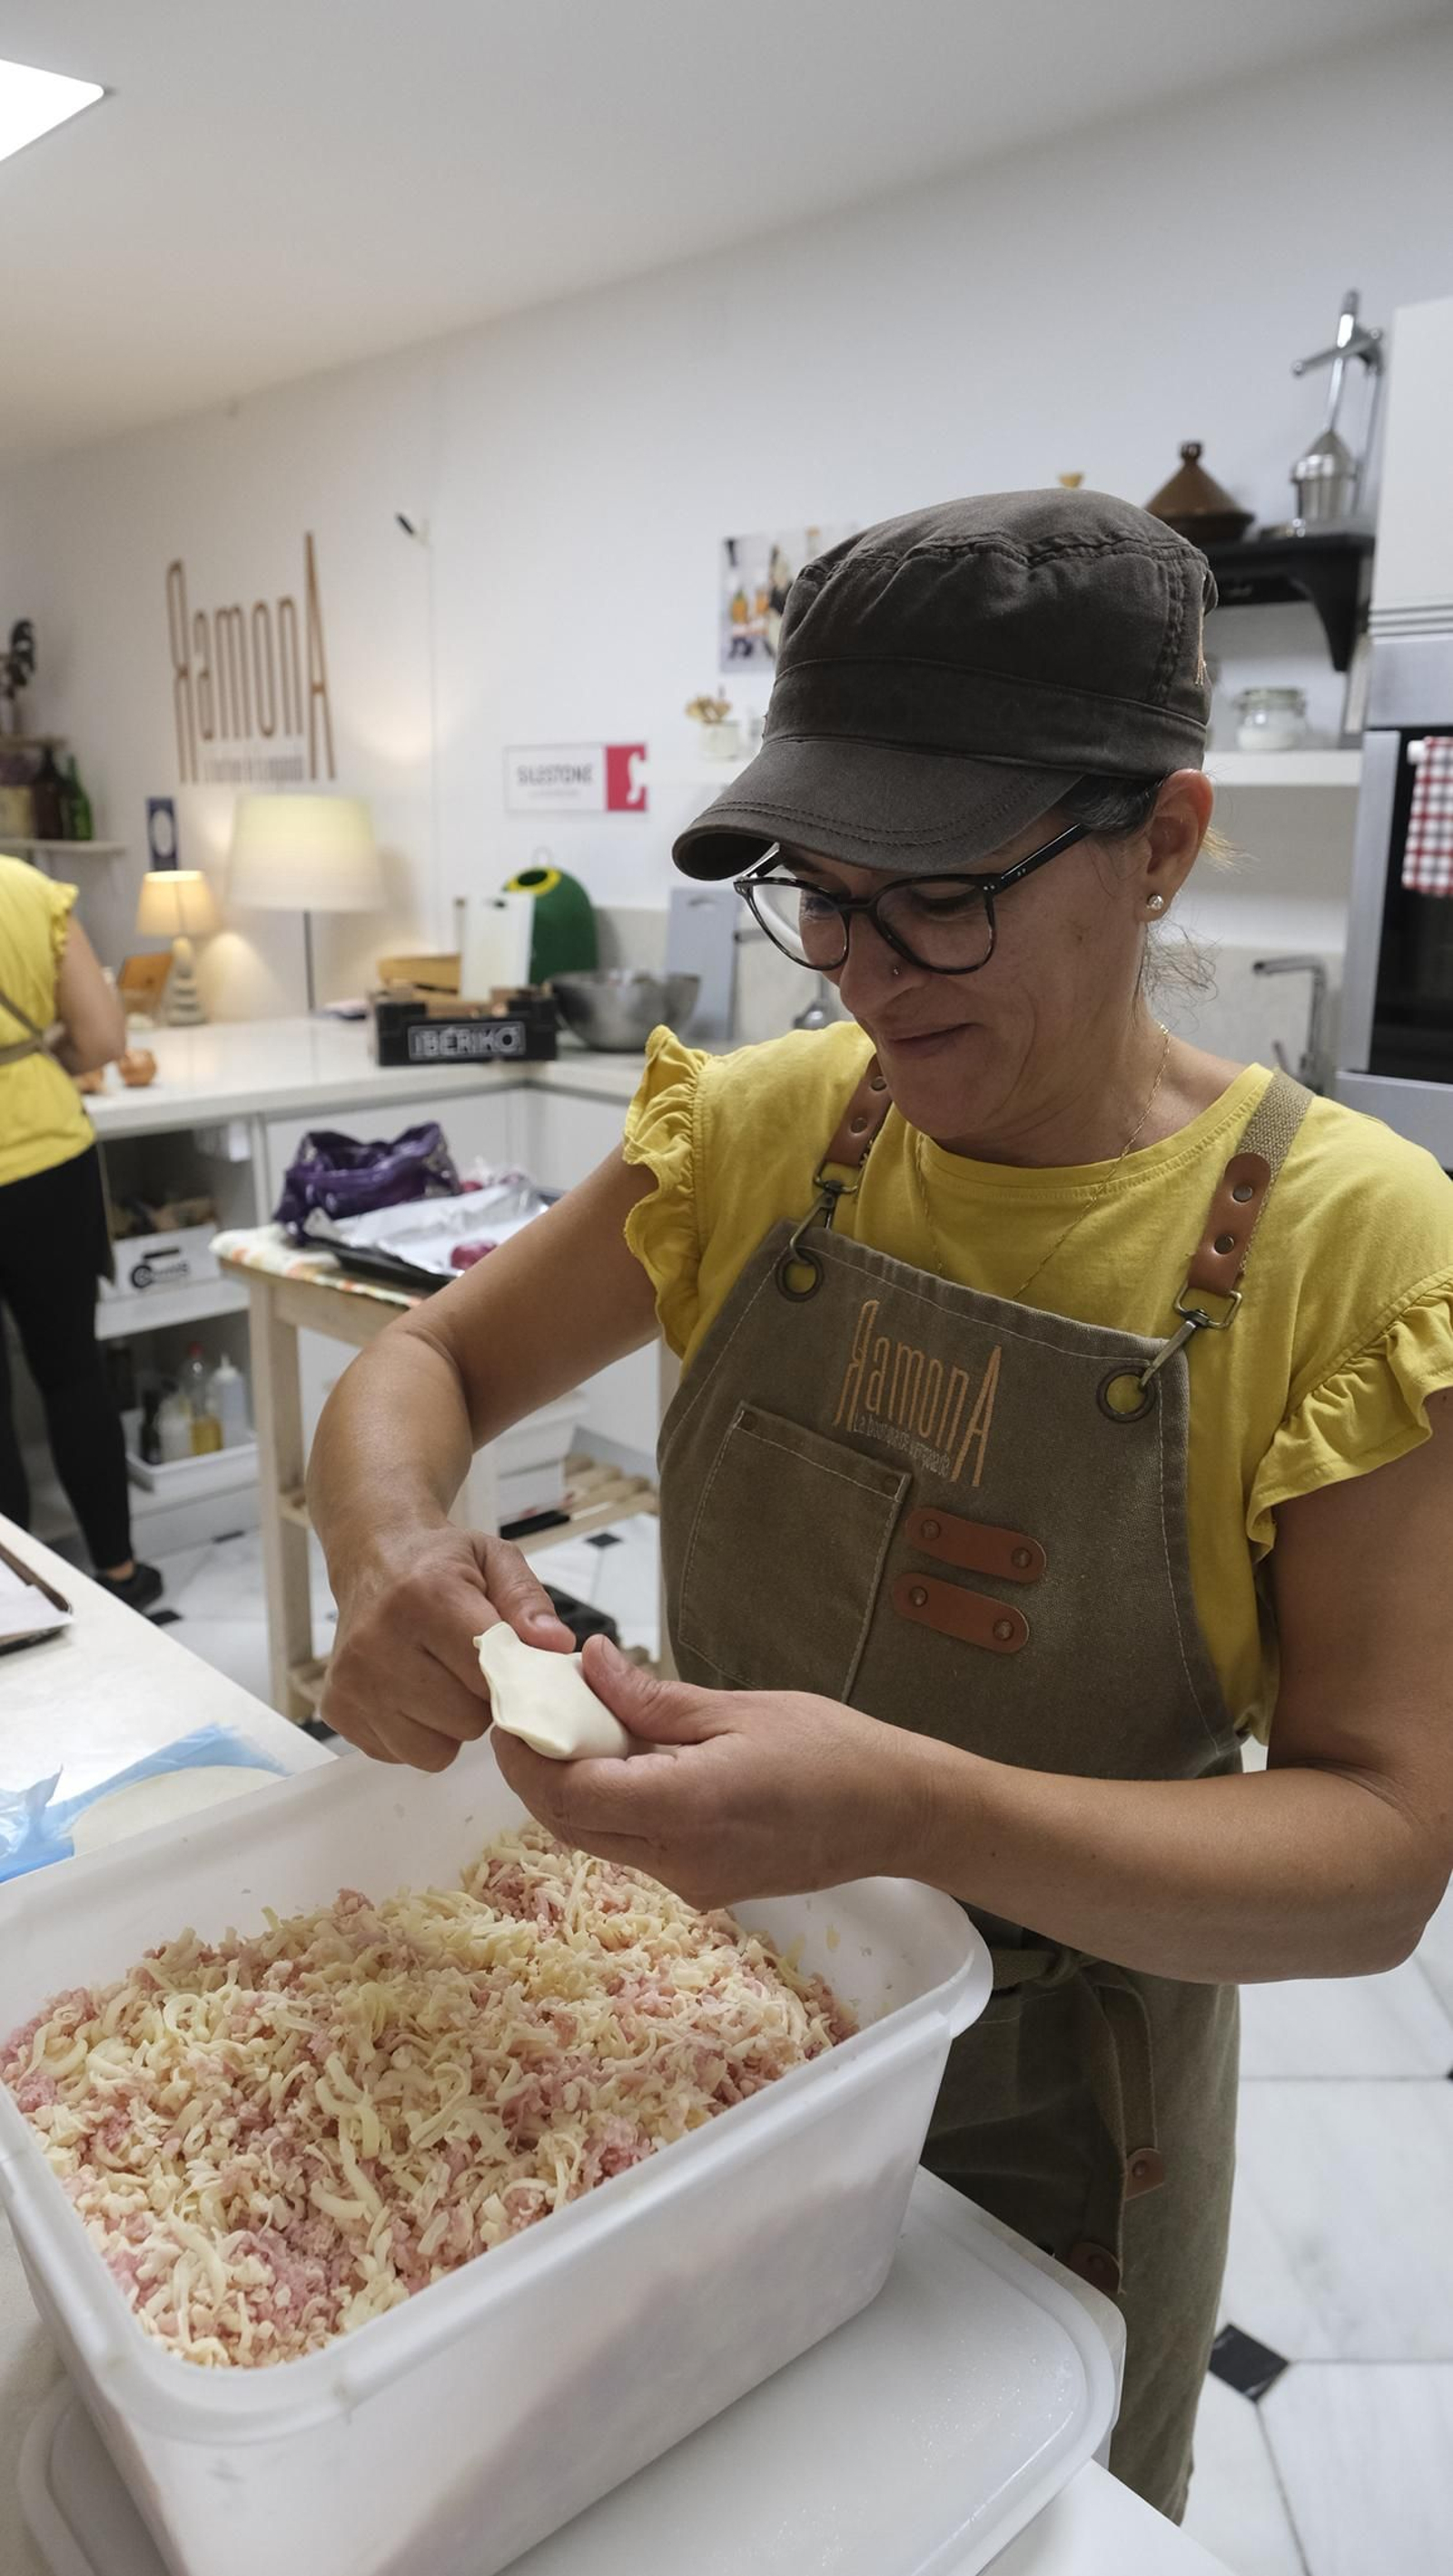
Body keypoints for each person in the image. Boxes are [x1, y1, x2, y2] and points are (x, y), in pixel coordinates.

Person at [309, 492, 1453, 2522]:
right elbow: (428, 1367)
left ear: (1162, 840)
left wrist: (913, 1806)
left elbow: (1376, 1856)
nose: (859, 971)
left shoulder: (1346, 1247)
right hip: (709, 2036)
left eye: (933, 894)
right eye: (817, 897)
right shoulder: (755, 1130)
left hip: (1055, 2126)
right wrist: (393, 1547)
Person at [0, 853, 163, 1610]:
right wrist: (38, 1063)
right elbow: (101, 1037)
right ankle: (120, 1572)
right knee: (72, 1373)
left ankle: (11, 1597)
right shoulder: (27, 890)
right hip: (48, 1160)